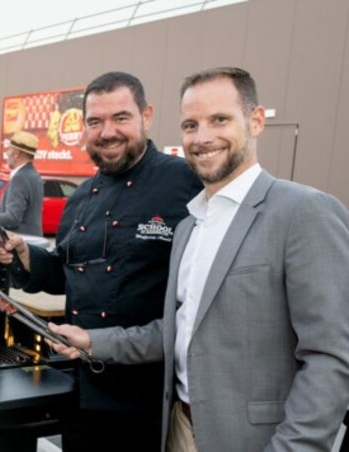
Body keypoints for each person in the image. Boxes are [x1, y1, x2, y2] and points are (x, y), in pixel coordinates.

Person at [45, 67, 349, 451]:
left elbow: (332, 359)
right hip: (176, 429)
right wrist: (92, 341)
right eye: (190, 125)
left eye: (219, 120)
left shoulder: (304, 211)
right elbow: (177, 333)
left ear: (256, 121)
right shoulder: (190, 225)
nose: (202, 138)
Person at [0, 72, 202, 451]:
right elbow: (63, 273)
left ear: (146, 116)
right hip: (81, 390)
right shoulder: (82, 196)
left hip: (147, 399)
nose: (107, 132)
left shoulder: (187, 183)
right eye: (95, 121)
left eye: (121, 118)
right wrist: (23, 252)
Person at [0, 130, 44, 236]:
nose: (7, 153)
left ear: (16, 154)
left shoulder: (20, 178)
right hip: (33, 242)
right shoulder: (34, 175)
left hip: (20, 243)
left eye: (9, 149)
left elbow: (12, 219)